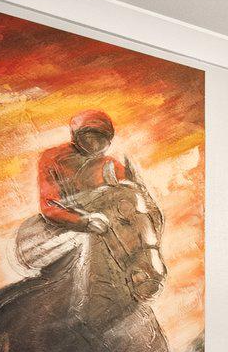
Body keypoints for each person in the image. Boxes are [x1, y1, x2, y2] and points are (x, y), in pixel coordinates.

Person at [16, 110, 161, 277]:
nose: (94, 143)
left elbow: (131, 198)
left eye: (100, 138)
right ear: (77, 137)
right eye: (89, 137)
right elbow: (49, 204)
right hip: (63, 230)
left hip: (108, 231)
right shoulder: (53, 158)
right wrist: (83, 221)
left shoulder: (111, 165)